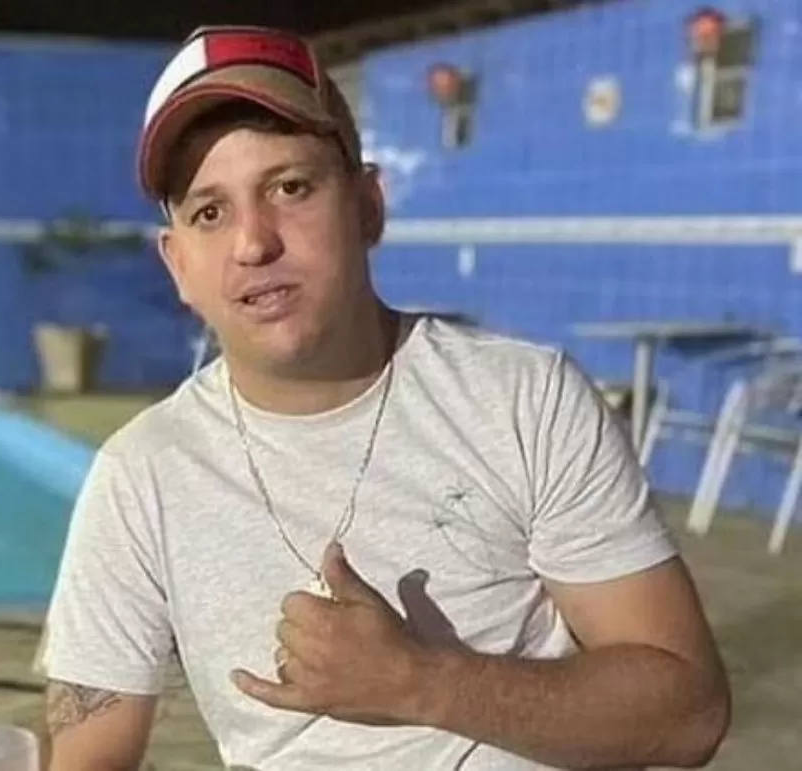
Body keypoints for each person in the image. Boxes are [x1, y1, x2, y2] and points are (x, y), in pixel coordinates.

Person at [39, 25, 730, 771]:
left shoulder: (524, 402)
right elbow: (90, 754)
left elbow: (689, 714)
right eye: (211, 211)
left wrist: (421, 682)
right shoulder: (141, 475)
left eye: (290, 187)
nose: (253, 243)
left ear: (367, 206)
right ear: (178, 265)